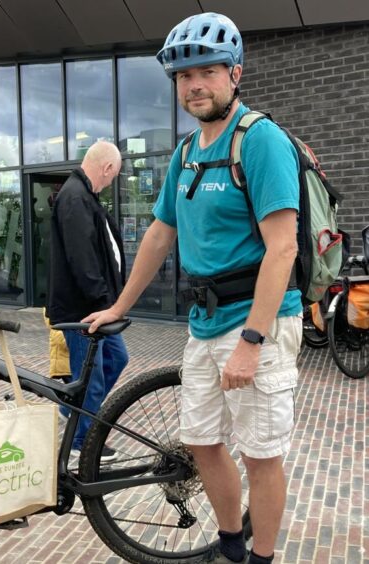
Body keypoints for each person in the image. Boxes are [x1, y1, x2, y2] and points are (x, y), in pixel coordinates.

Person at [84, 13, 301, 564]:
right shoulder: (184, 154)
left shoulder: (260, 140)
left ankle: (263, 557)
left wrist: (254, 341)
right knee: (202, 442)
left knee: (261, 454)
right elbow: (159, 235)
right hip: (204, 323)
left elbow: (283, 248)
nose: (194, 85)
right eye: (183, 77)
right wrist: (118, 305)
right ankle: (230, 548)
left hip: (258, 322)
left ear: (235, 74)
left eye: (206, 72)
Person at [47, 140, 128, 464]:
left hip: (97, 308)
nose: (111, 182)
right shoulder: (75, 198)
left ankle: (70, 408)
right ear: (106, 168)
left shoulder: (84, 196)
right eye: (113, 176)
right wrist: (103, 302)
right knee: (90, 378)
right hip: (86, 310)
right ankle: (82, 441)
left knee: (116, 359)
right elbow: (82, 260)